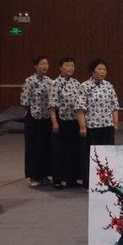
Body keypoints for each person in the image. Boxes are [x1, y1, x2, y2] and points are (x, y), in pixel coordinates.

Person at [76, 58, 119, 187]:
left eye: (104, 69)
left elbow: (114, 107)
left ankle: (108, 182)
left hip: (107, 126)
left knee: (107, 155)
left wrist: (115, 123)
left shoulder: (109, 86)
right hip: (92, 127)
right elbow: (80, 109)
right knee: (91, 156)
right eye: (100, 69)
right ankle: (90, 183)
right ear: (92, 71)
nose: (102, 72)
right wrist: (82, 127)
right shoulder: (84, 86)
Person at [49, 56, 83, 188]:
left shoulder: (76, 83)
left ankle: (72, 179)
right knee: (60, 151)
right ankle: (57, 180)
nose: (70, 68)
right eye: (67, 65)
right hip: (61, 120)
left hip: (74, 121)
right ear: (60, 68)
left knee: (74, 150)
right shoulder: (55, 83)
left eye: (72, 66)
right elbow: (52, 106)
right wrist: (54, 122)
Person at [20, 55, 53, 186]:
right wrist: (31, 113)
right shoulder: (29, 81)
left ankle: (43, 175)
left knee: (45, 147)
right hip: (33, 119)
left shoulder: (50, 81)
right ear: (35, 66)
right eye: (42, 63)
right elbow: (24, 101)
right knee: (33, 148)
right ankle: (33, 176)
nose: (45, 66)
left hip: (46, 119)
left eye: (46, 63)